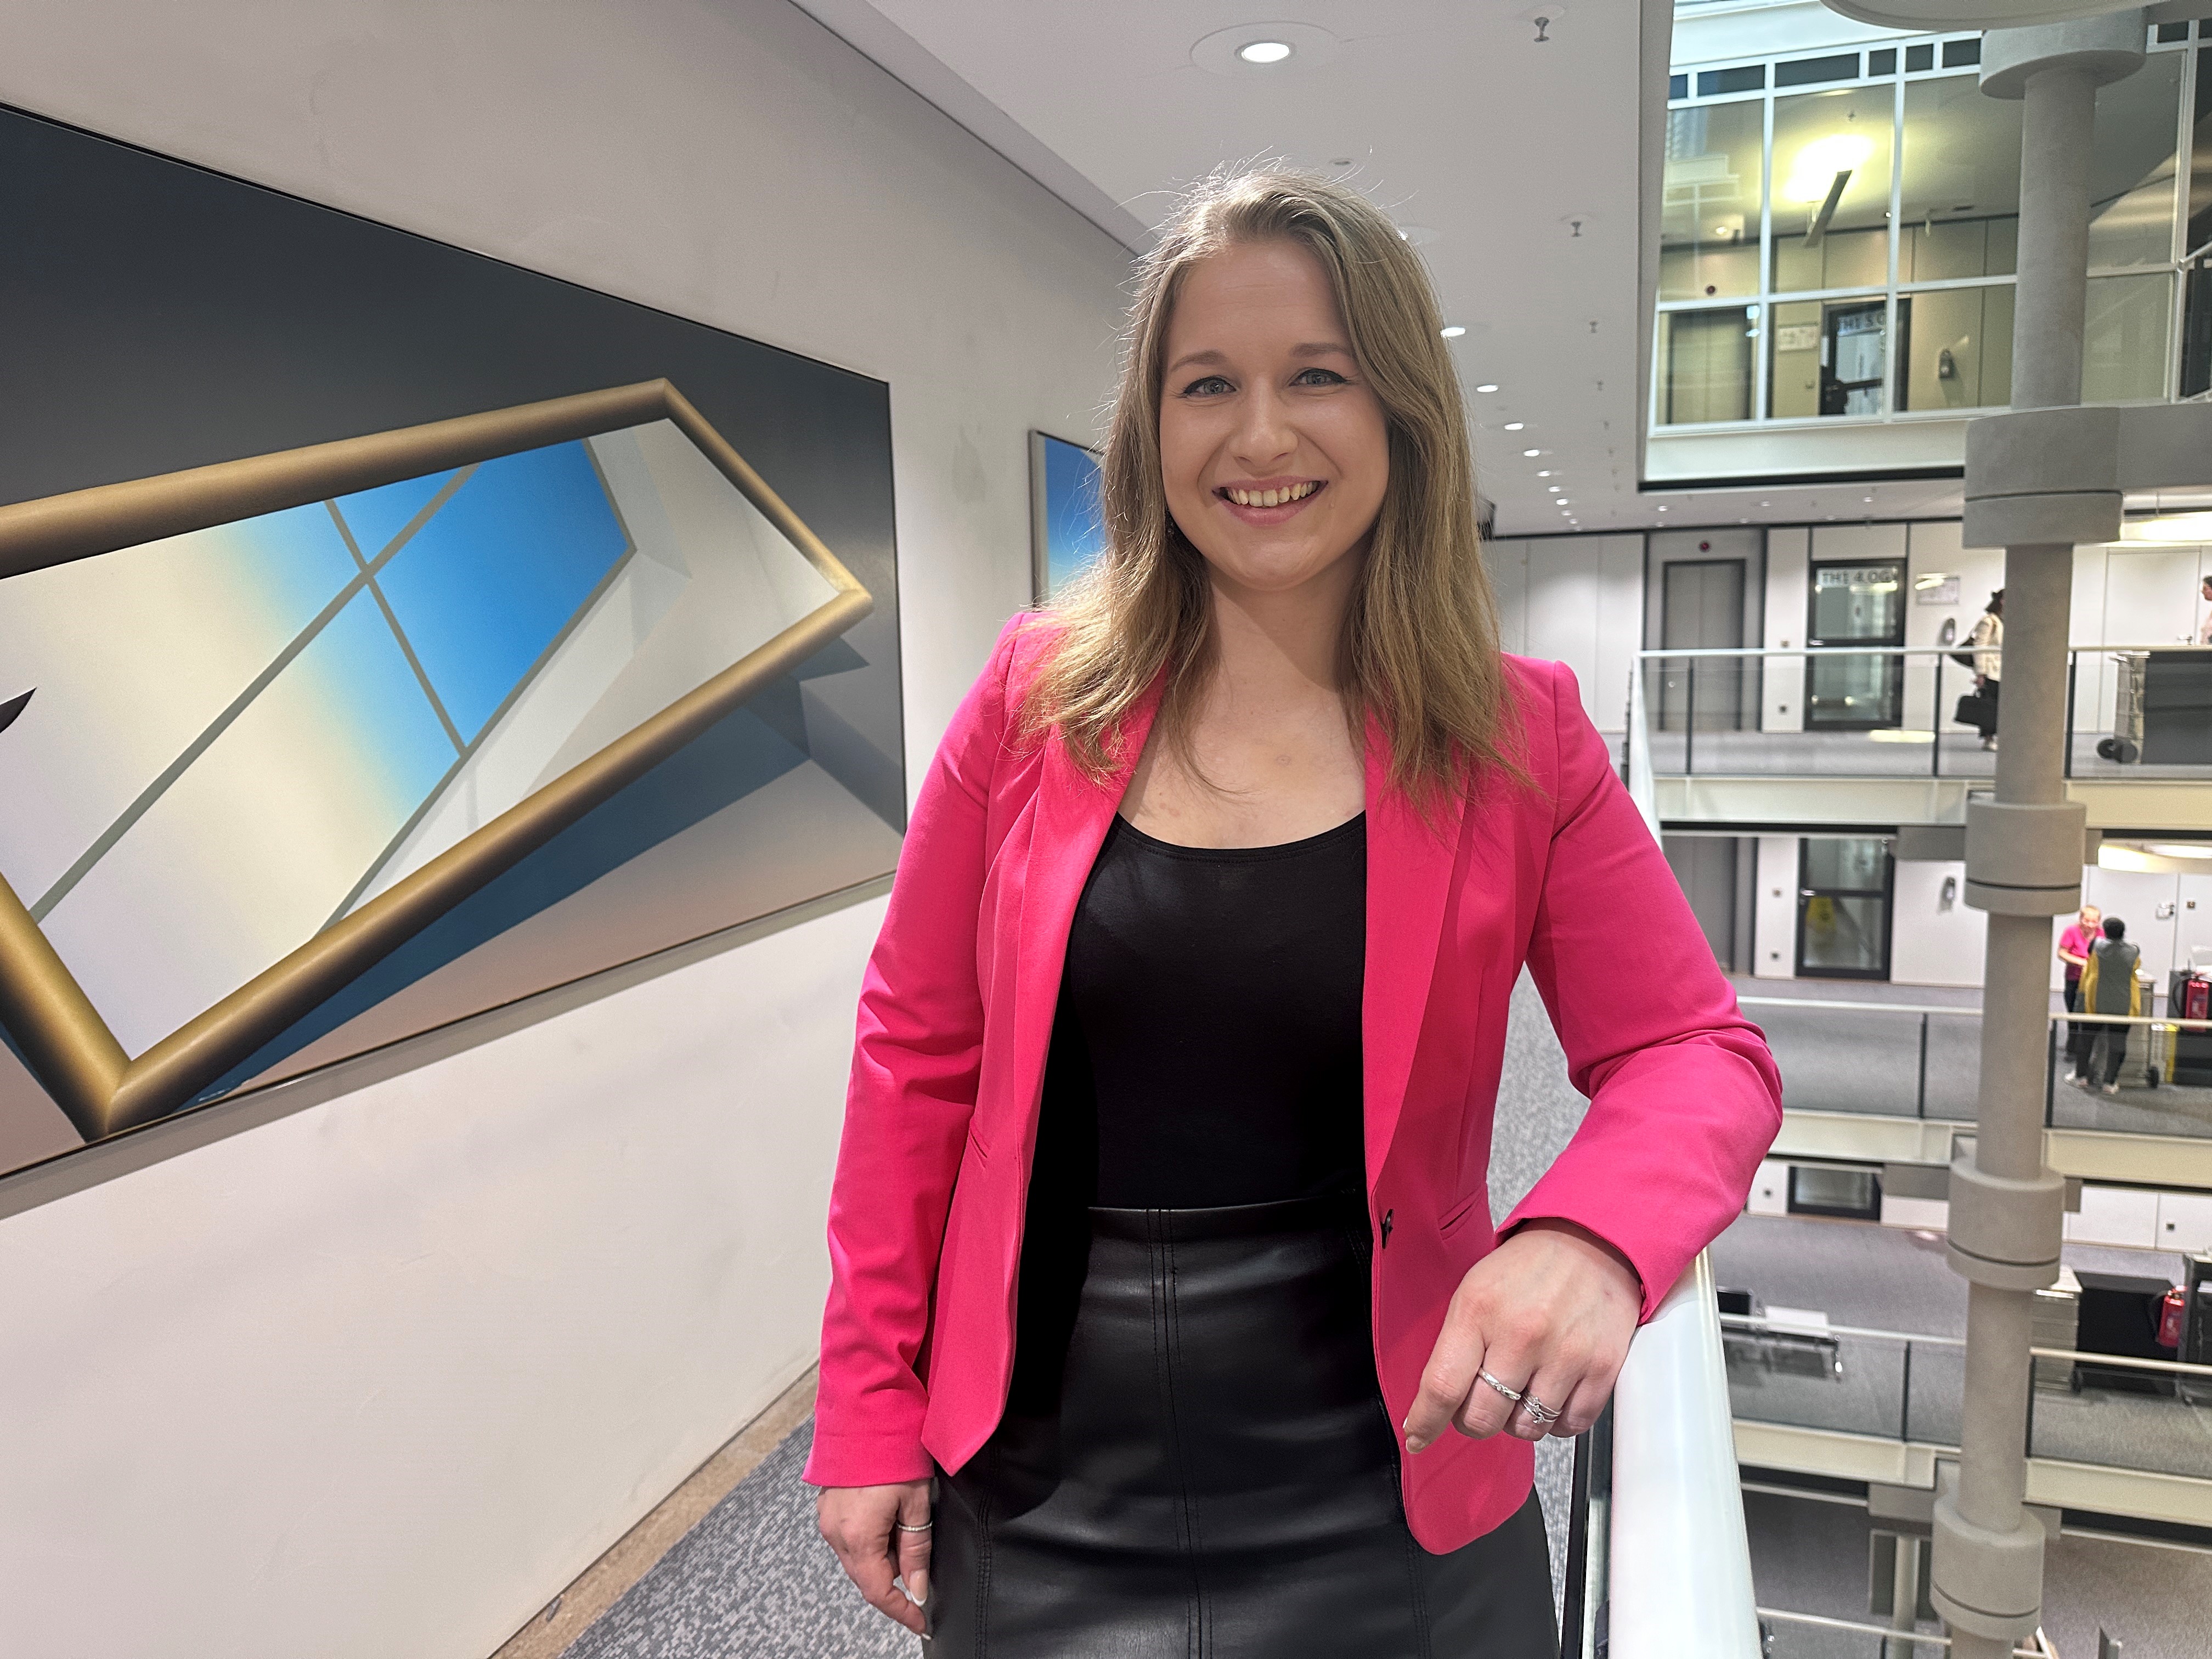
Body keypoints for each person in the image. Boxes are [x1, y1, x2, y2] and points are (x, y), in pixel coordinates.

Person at [807, 168, 1783, 1658]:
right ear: (1153, 429)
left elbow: (1696, 1053)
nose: (1260, 436)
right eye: (1209, 384)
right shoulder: (1030, 702)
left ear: (1400, 412)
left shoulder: (1520, 738)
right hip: (1042, 1486)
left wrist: (1593, 1238)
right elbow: (914, 1059)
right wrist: (871, 1402)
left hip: (1396, 1482)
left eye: (1317, 376)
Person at [2076, 916, 2142, 1096]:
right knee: (2118, 1044)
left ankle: (2081, 1077)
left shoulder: (2096, 945)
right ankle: (2110, 1082)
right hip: (2124, 1003)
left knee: (2086, 1040)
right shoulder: (2134, 950)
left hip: (2095, 1002)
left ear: (2104, 931)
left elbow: (2090, 958)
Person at [2058, 904, 2102, 1085]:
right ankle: (2072, 1047)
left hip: (2093, 982)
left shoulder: (2102, 935)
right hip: (2075, 979)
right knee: (2074, 1013)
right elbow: (2062, 953)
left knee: (2089, 1015)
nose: (2090, 925)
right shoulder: (2072, 931)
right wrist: (2081, 962)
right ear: (2081, 920)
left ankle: (2086, 1050)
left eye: (2094, 921)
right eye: (2087, 920)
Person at [1962, 589, 2003, 749]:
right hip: (1992, 670)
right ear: (2002, 601)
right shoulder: (1989, 622)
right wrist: (1981, 673)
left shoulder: (2006, 621)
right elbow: (1980, 647)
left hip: (2004, 670)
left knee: (2000, 705)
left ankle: (1997, 737)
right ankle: (1989, 738)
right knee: (1989, 705)